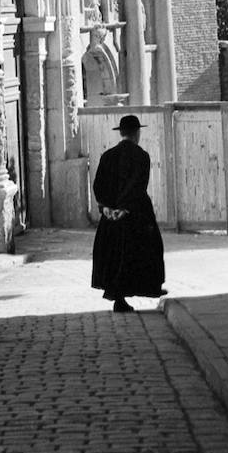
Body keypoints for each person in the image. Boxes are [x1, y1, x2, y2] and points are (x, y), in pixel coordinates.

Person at [91, 114, 166, 313]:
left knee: (113, 254)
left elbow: (99, 185)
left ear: (122, 133)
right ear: (136, 133)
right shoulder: (141, 156)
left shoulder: (107, 156)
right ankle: (147, 287)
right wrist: (124, 209)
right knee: (144, 249)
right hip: (135, 214)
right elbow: (138, 185)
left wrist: (107, 208)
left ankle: (119, 297)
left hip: (111, 216)